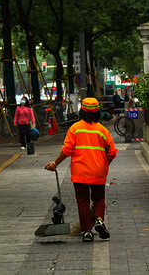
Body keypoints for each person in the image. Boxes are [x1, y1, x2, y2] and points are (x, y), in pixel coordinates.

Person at [45, 97, 118, 242]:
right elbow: (112, 152)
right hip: (98, 171)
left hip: (80, 173)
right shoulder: (102, 131)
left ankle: (86, 232)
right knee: (99, 198)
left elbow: (67, 150)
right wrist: (104, 164)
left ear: (81, 112)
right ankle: (98, 220)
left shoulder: (75, 129)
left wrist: (55, 163)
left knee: (83, 201)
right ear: (98, 112)